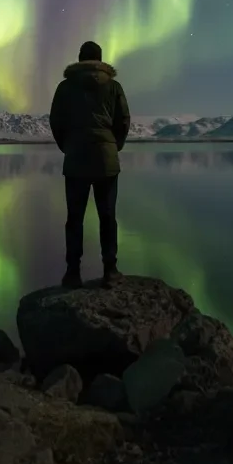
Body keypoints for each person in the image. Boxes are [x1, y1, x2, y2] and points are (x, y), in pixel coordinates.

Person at [48, 40, 131, 289]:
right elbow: (123, 120)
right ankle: (111, 271)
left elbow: (56, 121)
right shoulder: (114, 86)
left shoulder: (65, 87)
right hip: (106, 158)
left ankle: (73, 273)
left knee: (75, 218)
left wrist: (68, 145)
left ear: (80, 59)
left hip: (75, 159)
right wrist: (112, 145)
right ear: (101, 59)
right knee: (108, 217)